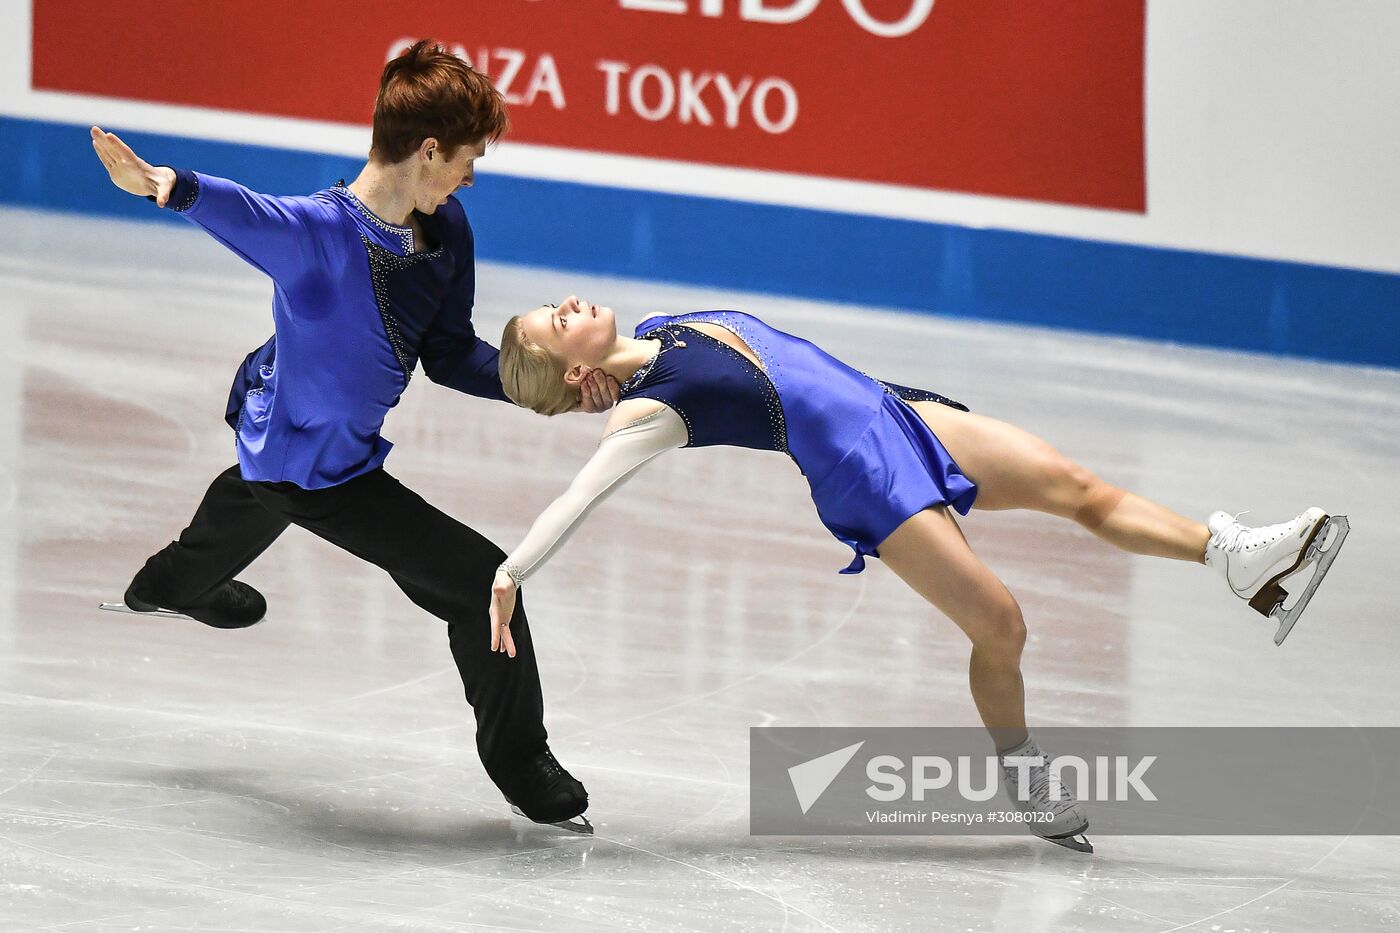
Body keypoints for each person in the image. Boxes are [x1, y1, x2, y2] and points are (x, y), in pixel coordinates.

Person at [486, 297, 1348, 852]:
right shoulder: (646, 409)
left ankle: (1233, 556)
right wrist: (511, 572)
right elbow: (578, 497)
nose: (567, 305)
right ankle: (1023, 772)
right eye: (555, 323)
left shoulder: (669, 322)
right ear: (575, 370)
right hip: (863, 470)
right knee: (1003, 624)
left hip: (897, 407)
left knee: (1079, 488)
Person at [88, 42, 617, 834]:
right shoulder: (320, 235)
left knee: (247, 501)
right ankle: (523, 763)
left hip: (310, 447)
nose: (471, 178)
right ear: (428, 150)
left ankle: (164, 586)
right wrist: (169, 186)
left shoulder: (445, 231)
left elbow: (446, 353)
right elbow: (243, 210)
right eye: (467, 160)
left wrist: (546, 390)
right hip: (313, 465)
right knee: (480, 581)